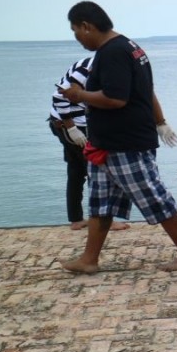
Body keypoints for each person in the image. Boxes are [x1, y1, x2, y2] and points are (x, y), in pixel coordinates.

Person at [58, 0, 177, 274]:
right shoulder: (129, 47)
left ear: (86, 26)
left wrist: (79, 95)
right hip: (105, 144)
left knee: (154, 197)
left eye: (75, 31)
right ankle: (89, 259)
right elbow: (146, 89)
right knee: (100, 202)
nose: (77, 38)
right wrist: (160, 122)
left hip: (126, 144)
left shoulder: (114, 52)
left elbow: (116, 98)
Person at [49, 57, 131, 232]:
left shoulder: (105, 66)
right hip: (71, 125)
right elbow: (59, 96)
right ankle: (103, 220)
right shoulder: (89, 68)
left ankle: (76, 219)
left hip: (67, 122)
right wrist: (72, 128)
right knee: (97, 171)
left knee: (76, 170)